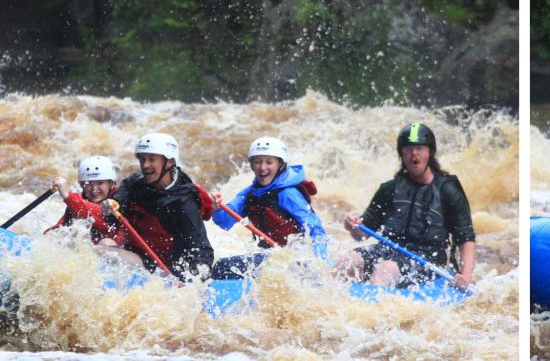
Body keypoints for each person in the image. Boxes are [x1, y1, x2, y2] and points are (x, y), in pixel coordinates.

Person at [332, 123, 476, 289]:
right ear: (401, 153)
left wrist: (466, 275)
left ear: (431, 152)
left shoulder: (448, 191)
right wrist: (354, 227)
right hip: (388, 249)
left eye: (420, 148)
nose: (414, 155)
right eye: (408, 149)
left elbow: (466, 239)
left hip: (428, 259)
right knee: (346, 261)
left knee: (384, 270)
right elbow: (362, 234)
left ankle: (375, 309)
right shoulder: (389, 189)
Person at [100, 132, 215, 281]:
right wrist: (109, 209)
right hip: (138, 257)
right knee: (105, 244)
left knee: (98, 251)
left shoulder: (183, 201)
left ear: (170, 162)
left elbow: (202, 250)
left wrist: (197, 285)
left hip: (165, 269)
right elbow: (113, 220)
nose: (145, 165)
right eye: (142, 159)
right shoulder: (134, 184)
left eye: (152, 159)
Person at [211, 137, 327, 277]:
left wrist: (319, 262)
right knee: (220, 267)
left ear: (281, 165)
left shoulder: (288, 194)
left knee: (222, 267)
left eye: (269, 162)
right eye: (258, 161)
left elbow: (316, 229)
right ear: (252, 165)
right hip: (268, 255)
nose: (262, 167)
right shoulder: (249, 194)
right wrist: (217, 208)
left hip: (294, 258)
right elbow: (224, 222)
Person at [47, 156, 124, 246]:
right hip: (92, 252)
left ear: (111, 183)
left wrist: (68, 196)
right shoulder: (77, 205)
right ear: (82, 185)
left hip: (121, 252)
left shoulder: (119, 201)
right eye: (89, 183)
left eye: (100, 182)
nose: (94, 189)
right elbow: (59, 229)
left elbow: (95, 212)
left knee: (106, 243)